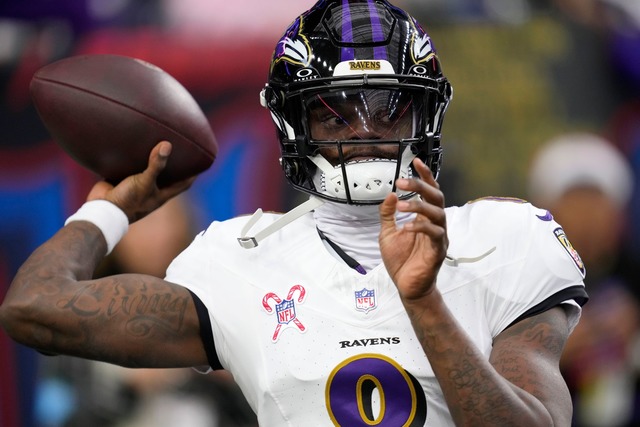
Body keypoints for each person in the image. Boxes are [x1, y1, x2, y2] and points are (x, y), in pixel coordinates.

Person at [0, 1, 589, 425]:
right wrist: (108, 210)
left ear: (423, 116)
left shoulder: (501, 240)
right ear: (293, 125)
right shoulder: (239, 259)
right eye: (334, 114)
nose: (364, 133)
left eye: (388, 110)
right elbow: (34, 311)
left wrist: (425, 303)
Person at [529, 133, 640, 427]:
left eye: (598, 201)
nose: (587, 217)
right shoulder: (516, 288)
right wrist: (545, 358)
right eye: (574, 202)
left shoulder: (633, 280)